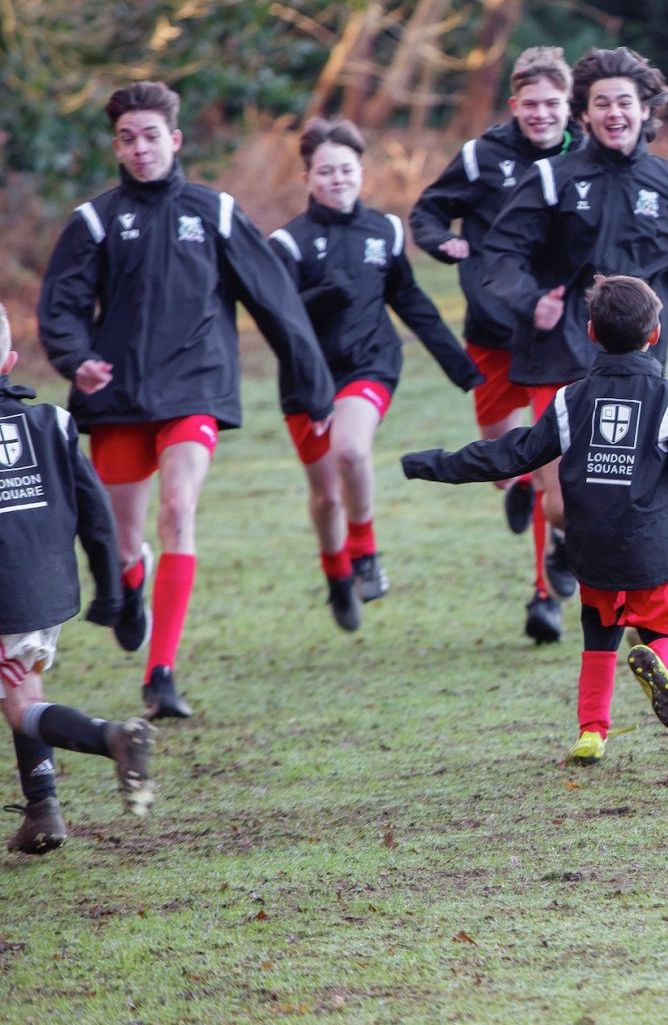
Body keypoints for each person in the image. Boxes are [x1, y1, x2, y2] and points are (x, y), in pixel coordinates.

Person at [37, 81, 334, 719]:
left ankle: (161, 674)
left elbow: (275, 301)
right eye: (127, 138)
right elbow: (60, 307)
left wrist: (311, 384)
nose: (139, 149)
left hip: (195, 387)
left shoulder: (216, 213)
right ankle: (129, 577)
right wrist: (75, 358)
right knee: (121, 541)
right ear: (115, 145)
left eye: (150, 137)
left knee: (178, 510)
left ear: (174, 140)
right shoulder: (94, 221)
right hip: (116, 394)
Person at [402, 276, 668, 766]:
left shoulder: (569, 400)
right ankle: (660, 662)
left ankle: (591, 732)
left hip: (590, 547)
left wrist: (433, 463)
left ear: (590, 331)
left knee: (599, 635)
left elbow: (513, 454)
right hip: (651, 546)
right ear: (655, 334)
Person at [479, 47, 668, 643]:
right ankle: (563, 538)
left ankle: (644, 611)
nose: (614, 112)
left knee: (629, 492)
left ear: (646, 109)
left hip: (638, 365)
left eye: (625, 102)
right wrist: (529, 296)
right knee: (563, 502)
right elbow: (500, 255)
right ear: (582, 115)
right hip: (558, 353)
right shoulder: (550, 180)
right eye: (601, 103)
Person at [271, 118, 484, 631]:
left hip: (371, 364)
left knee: (351, 448)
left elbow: (409, 300)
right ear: (308, 179)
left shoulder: (384, 230)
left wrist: (461, 367)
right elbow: (277, 317)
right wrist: (323, 296)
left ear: (360, 172)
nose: (337, 178)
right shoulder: (287, 243)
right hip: (307, 378)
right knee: (324, 495)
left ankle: (364, 549)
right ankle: (337, 573)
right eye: (325, 171)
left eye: (346, 169)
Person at [411, 46, 583, 603]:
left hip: (556, 333)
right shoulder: (482, 156)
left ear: (569, 104)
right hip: (492, 328)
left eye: (552, 103)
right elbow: (428, 211)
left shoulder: (585, 156)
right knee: (502, 450)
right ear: (514, 104)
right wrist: (444, 242)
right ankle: (514, 483)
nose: (541, 114)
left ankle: (546, 581)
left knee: (548, 458)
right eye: (530, 104)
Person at [0, 304, 156, 854]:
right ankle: (43, 813)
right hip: (46, 590)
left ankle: (111, 736)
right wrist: (113, 590)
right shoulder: (55, 423)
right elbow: (95, 514)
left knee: (20, 704)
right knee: (23, 694)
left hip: (5, 594)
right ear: (12, 362)